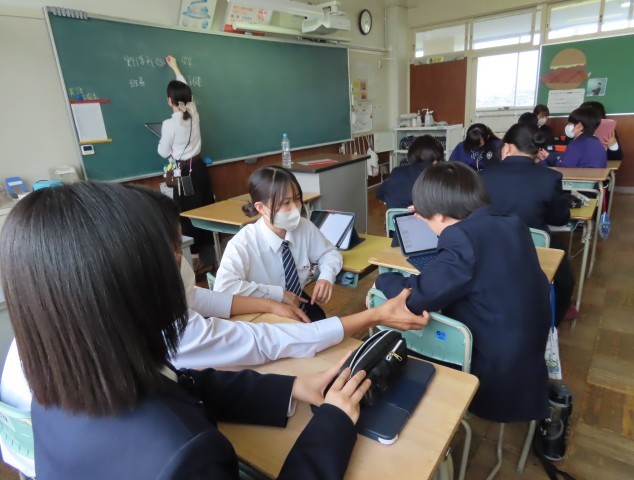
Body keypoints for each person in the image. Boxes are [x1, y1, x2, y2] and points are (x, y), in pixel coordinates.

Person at [1, 186, 427, 476]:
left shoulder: (60, 380)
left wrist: (290, 388)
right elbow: (263, 340)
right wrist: (333, 422)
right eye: (175, 254)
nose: (187, 265)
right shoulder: (184, 455)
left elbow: (178, 381)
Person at [375, 162, 551, 423]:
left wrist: (384, 279)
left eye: (426, 218)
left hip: (494, 370)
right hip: (528, 358)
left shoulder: (462, 238)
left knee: (403, 337)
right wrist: (429, 213)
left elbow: (414, 299)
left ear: (441, 215)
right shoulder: (513, 224)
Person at [214, 166, 343, 321]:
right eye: (285, 203)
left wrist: (326, 276)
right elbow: (223, 289)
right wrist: (277, 294)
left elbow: (329, 253)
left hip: (297, 301)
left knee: (321, 320)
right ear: (261, 208)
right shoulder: (243, 244)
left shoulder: (304, 227)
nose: (295, 208)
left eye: (297, 198)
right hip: (263, 314)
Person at [480, 123, 576, 322]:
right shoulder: (550, 177)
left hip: (490, 244)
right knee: (566, 280)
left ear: (506, 147)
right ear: (537, 150)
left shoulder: (483, 176)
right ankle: (555, 319)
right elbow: (560, 218)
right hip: (533, 247)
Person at [158, 54, 214, 273]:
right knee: (206, 210)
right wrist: (175, 68)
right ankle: (210, 255)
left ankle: (196, 257)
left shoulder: (169, 125)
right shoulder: (193, 112)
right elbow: (185, 87)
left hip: (183, 173)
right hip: (199, 169)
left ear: (169, 100)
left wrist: (169, 144)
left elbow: (163, 152)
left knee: (187, 215)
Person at [376, 134, 444, 209]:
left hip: (395, 216)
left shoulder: (396, 172)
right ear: (435, 159)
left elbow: (380, 194)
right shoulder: (436, 177)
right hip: (424, 215)